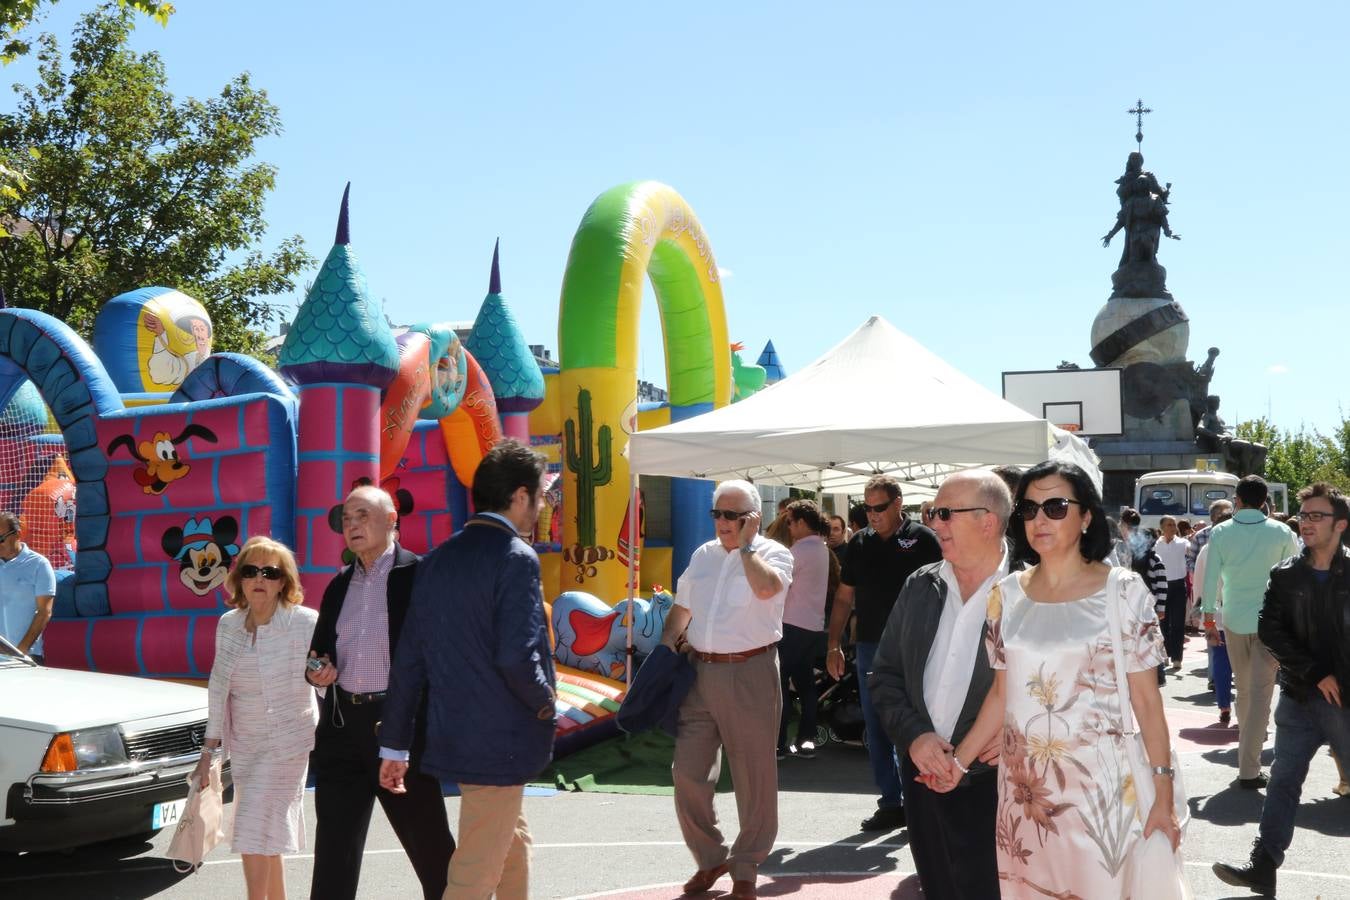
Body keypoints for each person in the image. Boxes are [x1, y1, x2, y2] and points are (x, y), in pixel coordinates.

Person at [943, 460, 1179, 898]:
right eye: (1029, 510)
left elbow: (1147, 703)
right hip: (1024, 793)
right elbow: (1001, 694)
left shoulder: (1124, 591)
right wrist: (959, 763)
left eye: (1055, 506)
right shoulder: (1006, 595)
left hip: (1101, 793)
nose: (1039, 520)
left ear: (1086, 515)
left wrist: (1162, 794)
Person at [379, 440, 556, 900]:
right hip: (501, 740)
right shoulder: (516, 558)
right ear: (519, 496)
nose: (542, 506)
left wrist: (394, 744)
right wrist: (546, 702)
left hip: (456, 733)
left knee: (509, 842)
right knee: (475, 871)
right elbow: (517, 656)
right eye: (541, 495)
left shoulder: (436, 560)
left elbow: (409, 662)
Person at [305, 486, 455, 900]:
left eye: (362, 516)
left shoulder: (421, 575)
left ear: (392, 521)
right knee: (334, 851)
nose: (351, 525)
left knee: (431, 850)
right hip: (341, 729)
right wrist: (318, 671)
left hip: (398, 728)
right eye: (346, 519)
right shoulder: (338, 584)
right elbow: (317, 655)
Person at [869, 471, 1011, 899]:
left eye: (945, 514)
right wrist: (914, 737)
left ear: (987, 521)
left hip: (1000, 784)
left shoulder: (1032, 591)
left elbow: (1069, 690)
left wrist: (1021, 731)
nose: (934, 524)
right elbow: (884, 675)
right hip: (924, 780)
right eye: (933, 513)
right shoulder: (920, 585)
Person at [658, 479, 793, 900]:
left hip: (751, 671)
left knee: (754, 776)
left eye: (732, 515)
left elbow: (767, 588)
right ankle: (711, 856)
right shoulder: (702, 555)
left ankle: (746, 867)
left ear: (754, 518)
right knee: (688, 773)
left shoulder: (774, 554)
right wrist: (662, 659)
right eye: (717, 513)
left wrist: (748, 547)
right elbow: (682, 609)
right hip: (699, 671)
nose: (722, 522)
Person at [1213, 482, 1350, 895]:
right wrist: (1313, 673)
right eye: (1304, 515)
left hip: (1344, 704)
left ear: (1340, 524)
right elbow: (1271, 630)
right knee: (1283, 782)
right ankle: (1263, 865)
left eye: (1316, 516)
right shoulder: (1286, 574)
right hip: (1299, 698)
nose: (1306, 523)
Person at [196, 537, 319, 900]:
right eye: (251, 571)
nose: (259, 579)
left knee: (251, 823)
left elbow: (322, 671)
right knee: (266, 832)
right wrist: (209, 752)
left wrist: (324, 671)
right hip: (246, 744)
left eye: (270, 572)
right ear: (239, 580)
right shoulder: (228, 624)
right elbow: (219, 688)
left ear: (284, 581)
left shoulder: (304, 622)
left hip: (288, 743)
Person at [827, 475, 942, 832]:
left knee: (916, 723)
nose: (872, 515)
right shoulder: (859, 543)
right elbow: (845, 597)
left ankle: (922, 800)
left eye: (879, 508)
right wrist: (833, 644)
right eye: (867, 508)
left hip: (918, 647)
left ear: (898, 504)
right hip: (871, 647)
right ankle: (891, 802)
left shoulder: (925, 540)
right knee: (877, 727)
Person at [1202, 475, 1300, 789]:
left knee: (1244, 691)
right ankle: (1248, 767)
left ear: (1238, 500)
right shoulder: (1282, 531)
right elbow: (1294, 577)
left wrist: (1207, 619)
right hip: (1271, 622)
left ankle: (1248, 760)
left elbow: (1210, 577)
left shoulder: (1220, 532)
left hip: (1232, 619)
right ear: (1265, 501)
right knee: (1259, 694)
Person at [778, 499, 829, 760]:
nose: (788, 527)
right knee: (806, 686)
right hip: (813, 626)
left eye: (790, 522)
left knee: (780, 684)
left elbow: (777, 584)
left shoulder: (798, 551)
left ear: (800, 522)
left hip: (792, 624)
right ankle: (806, 740)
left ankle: (779, 744)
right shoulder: (821, 548)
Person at [1193, 505, 1236, 726]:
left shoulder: (1206, 550)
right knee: (1244, 664)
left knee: (1220, 660)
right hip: (1239, 614)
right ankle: (1243, 708)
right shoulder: (1239, 548)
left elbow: (1198, 584)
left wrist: (1201, 614)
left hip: (1214, 615)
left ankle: (1224, 705)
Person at [0, 512, 55, 664]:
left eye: (1, 539)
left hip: (27, 657)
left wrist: (19, 653)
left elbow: (44, 612)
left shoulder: (39, 564)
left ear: (18, 534)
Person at [1153, 515, 1192, 671]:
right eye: (1169, 524)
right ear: (1162, 527)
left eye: (1174, 524)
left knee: (1177, 623)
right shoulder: (1156, 545)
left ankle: (1177, 657)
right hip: (1161, 587)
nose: (1172, 527)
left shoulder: (1184, 543)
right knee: (1163, 622)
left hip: (1178, 586)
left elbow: (1192, 554)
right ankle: (1165, 654)